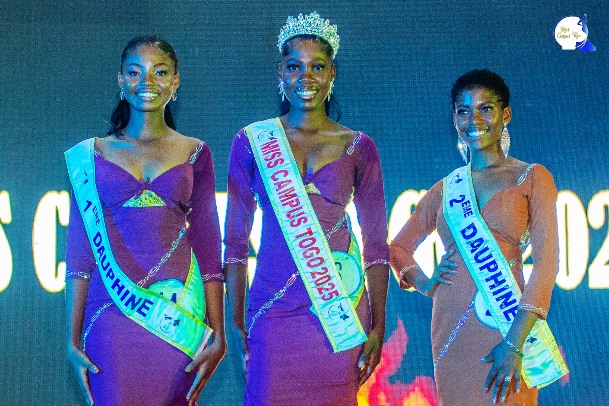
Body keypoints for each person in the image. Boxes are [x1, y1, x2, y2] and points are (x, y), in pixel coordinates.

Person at [224, 12, 390, 405]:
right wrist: (234, 318)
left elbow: (376, 246)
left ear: (332, 74)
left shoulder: (359, 146)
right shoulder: (252, 141)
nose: (306, 77)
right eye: (295, 66)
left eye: (317, 67)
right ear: (280, 73)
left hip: (337, 312)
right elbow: (235, 242)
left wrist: (378, 324)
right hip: (272, 311)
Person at [390, 69, 568, 405]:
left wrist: (513, 344)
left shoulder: (532, 177)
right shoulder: (446, 188)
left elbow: (546, 267)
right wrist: (424, 282)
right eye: (463, 110)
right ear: (454, 118)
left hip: (508, 323)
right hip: (451, 330)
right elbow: (397, 248)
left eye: (486, 109)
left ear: (506, 114)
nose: (474, 120)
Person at [65, 35, 226, 406]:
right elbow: (80, 251)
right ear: (120, 79)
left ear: (176, 80)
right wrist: (71, 339)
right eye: (135, 72)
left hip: (178, 310)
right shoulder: (91, 155)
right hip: (111, 311)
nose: (147, 82)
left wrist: (218, 332)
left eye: (160, 72)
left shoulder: (196, 151)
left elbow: (207, 240)